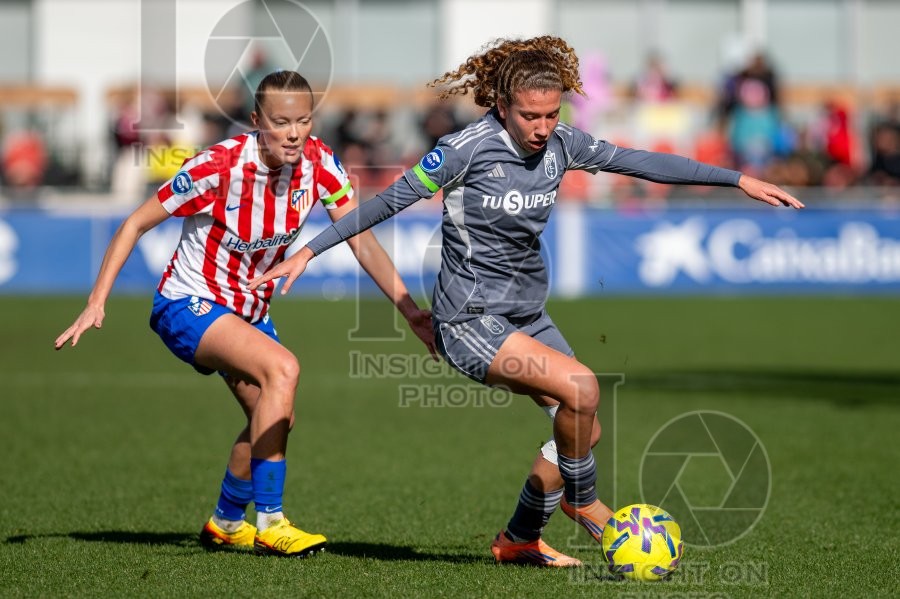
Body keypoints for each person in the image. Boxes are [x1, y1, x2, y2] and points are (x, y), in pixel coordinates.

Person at [250, 37, 804, 567]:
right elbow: (385, 203)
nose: (542, 129)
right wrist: (310, 251)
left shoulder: (565, 144)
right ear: (501, 106)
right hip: (466, 319)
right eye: (530, 117)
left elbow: (639, 161)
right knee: (582, 389)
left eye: (552, 114)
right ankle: (583, 504)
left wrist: (737, 179)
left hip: (525, 313)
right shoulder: (462, 150)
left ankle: (519, 538)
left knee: (583, 428)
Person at [54, 70, 435, 558]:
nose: (294, 132)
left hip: (247, 310)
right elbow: (136, 222)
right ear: (257, 120)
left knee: (274, 416)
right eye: (281, 122)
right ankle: (271, 523)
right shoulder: (218, 167)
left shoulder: (320, 163)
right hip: (187, 302)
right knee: (284, 368)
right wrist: (96, 300)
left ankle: (226, 520)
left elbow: (360, 237)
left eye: (303, 120)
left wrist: (407, 309)